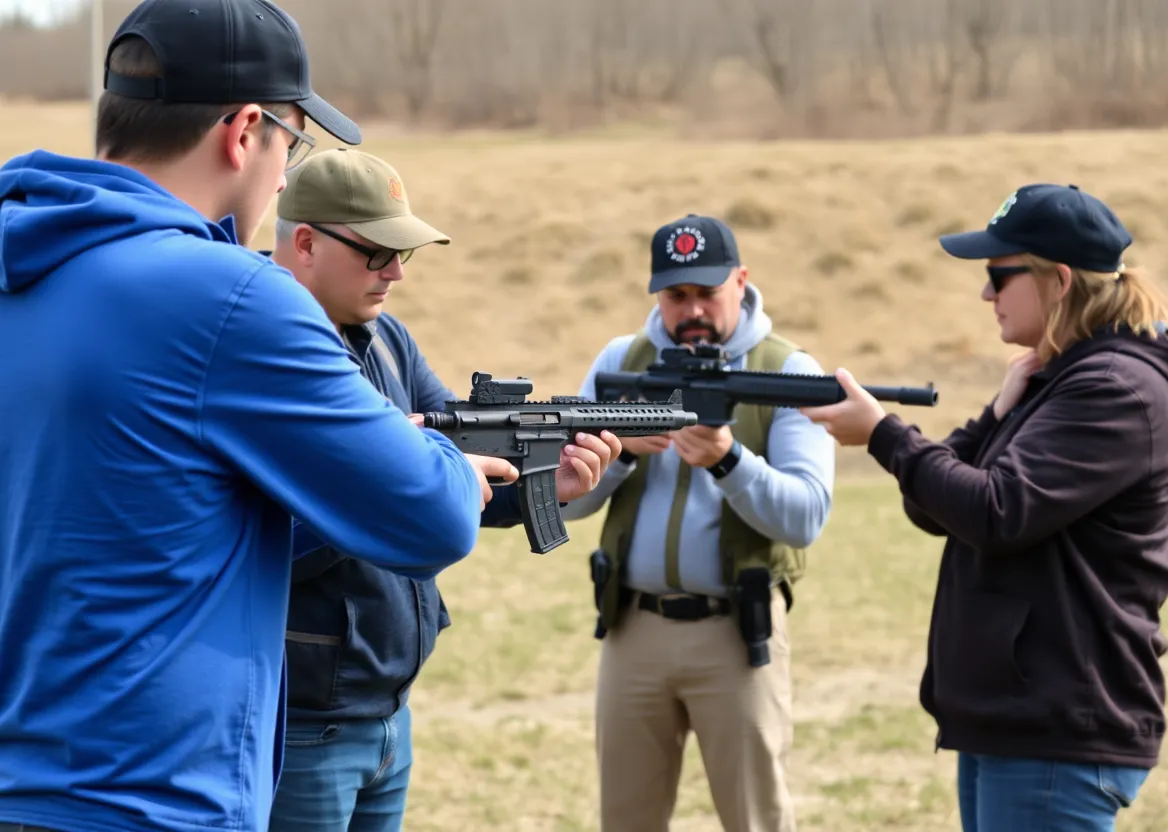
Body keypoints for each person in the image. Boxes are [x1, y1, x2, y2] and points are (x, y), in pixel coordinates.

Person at [0, 2, 521, 831]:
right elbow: (427, 518)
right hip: (153, 801)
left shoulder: (23, 261)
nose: (285, 177)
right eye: (293, 144)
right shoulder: (231, 297)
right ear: (246, 130)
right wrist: (448, 460)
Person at [801, 183, 1168, 832]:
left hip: (1057, 727)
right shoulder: (1064, 379)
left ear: (1058, 280)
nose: (985, 294)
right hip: (1021, 720)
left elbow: (994, 512)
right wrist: (995, 413)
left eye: (999, 274)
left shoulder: (1114, 389)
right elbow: (936, 510)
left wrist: (885, 435)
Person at [262, 147, 619, 832]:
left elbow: (463, 463)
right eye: (376, 253)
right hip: (306, 724)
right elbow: (269, 539)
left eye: (404, 254)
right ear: (304, 243)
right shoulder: (268, 353)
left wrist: (551, 482)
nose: (395, 271)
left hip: (388, 711)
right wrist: (399, 490)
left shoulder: (386, 339)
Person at [561, 214, 836, 832]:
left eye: (706, 293)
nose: (692, 311)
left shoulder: (787, 371)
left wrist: (728, 459)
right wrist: (621, 454)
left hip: (737, 635)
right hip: (633, 628)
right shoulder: (622, 362)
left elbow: (805, 517)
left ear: (741, 282)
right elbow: (567, 503)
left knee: (756, 819)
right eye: (675, 295)